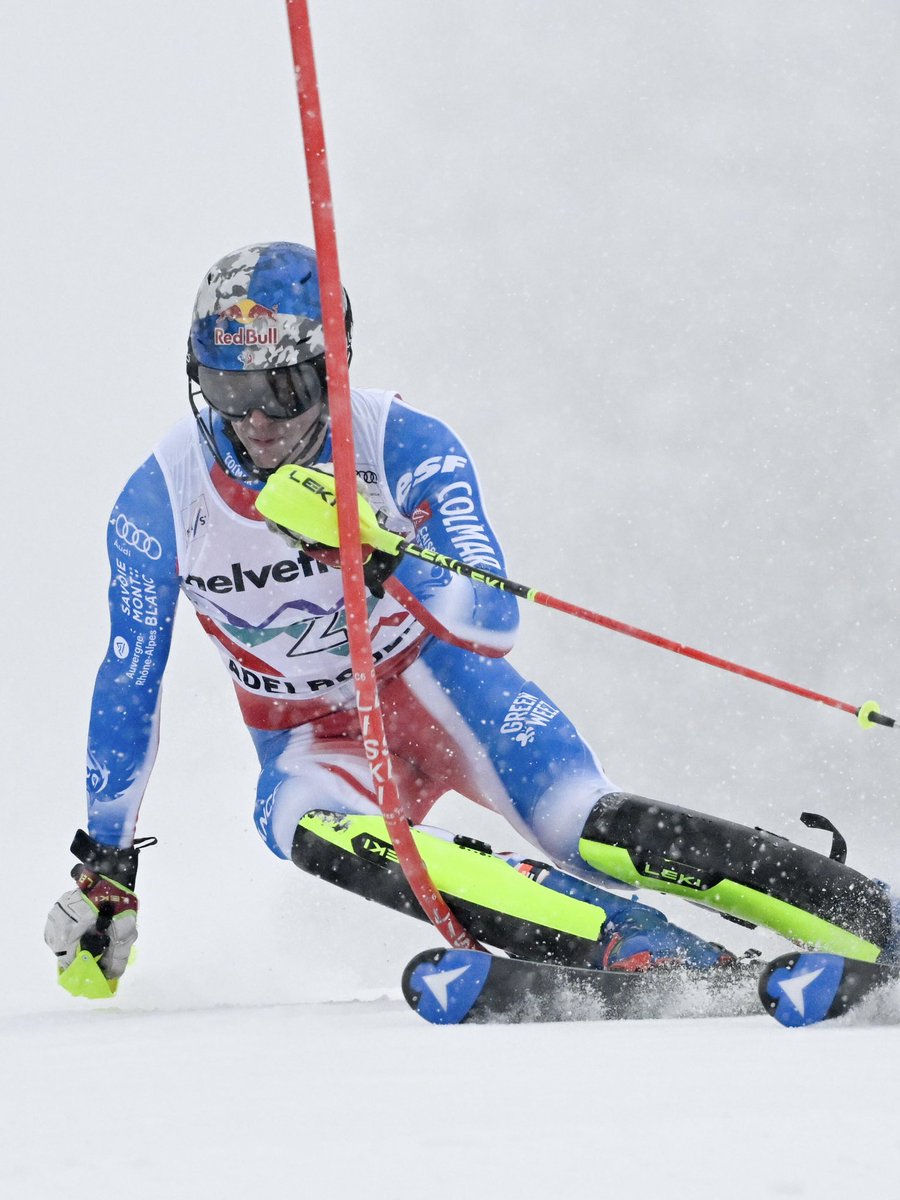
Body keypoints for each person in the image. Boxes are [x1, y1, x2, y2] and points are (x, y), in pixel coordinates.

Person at [44, 242, 897, 998]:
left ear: (332, 370)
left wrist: (379, 549)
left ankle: (863, 914)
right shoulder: (162, 499)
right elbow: (129, 683)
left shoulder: (404, 443)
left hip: (442, 684)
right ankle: (634, 945)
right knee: (293, 820)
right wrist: (107, 868)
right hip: (311, 734)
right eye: (230, 390)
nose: (257, 420)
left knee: (586, 825)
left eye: (286, 389)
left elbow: (489, 619)